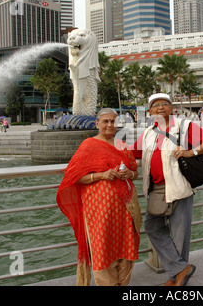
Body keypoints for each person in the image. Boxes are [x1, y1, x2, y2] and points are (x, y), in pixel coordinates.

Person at [132, 93, 203, 286]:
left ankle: (175, 277)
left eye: (165, 104)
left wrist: (190, 152)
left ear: (172, 108)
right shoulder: (148, 133)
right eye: (155, 105)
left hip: (179, 188)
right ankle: (180, 270)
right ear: (150, 111)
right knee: (152, 226)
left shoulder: (184, 127)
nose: (160, 107)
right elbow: (130, 153)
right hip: (157, 191)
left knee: (179, 237)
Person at [56, 108, 142, 286]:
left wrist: (129, 175)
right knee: (102, 249)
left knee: (126, 246)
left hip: (125, 208)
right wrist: (101, 175)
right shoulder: (88, 145)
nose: (110, 125)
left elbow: (135, 172)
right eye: (105, 121)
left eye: (113, 121)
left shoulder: (122, 146)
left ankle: (123, 283)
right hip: (99, 211)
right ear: (97, 124)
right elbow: (74, 177)